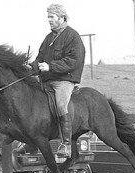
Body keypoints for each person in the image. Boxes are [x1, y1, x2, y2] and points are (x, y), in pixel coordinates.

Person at [29, 4, 85, 157]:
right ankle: (29, 143)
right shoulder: (49, 38)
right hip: (46, 80)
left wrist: (50, 66)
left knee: (61, 105)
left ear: (61, 18)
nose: (49, 20)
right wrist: (31, 67)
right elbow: (40, 58)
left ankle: (66, 144)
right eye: (48, 17)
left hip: (64, 80)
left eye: (51, 17)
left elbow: (74, 60)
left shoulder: (73, 36)